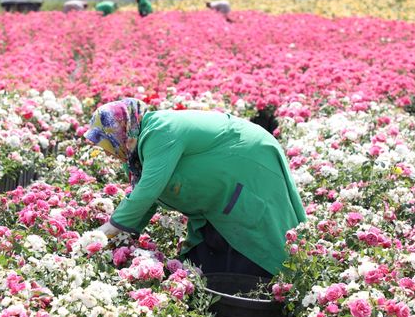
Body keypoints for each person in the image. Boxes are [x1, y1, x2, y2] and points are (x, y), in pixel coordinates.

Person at [85, 98, 306, 277]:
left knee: (255, 237)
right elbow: (145, 197)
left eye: (106, 143)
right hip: (216, 193)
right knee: (207, 258)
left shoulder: (160, 131)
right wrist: (124, 235)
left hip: (249, 162)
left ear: (119, 131)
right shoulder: (135, 153)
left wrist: (105, 232)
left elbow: (148, 190)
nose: (106, 152)